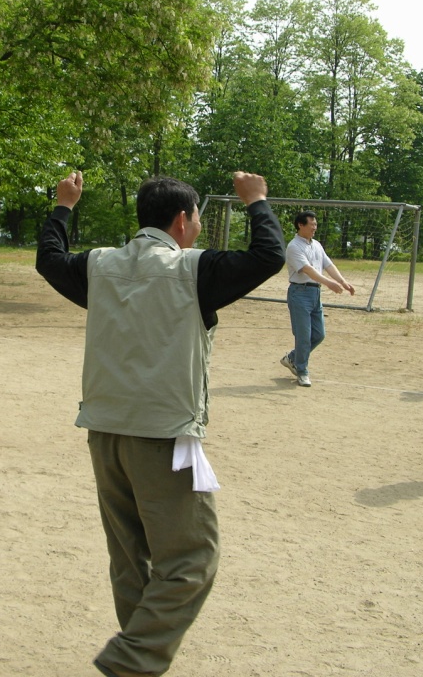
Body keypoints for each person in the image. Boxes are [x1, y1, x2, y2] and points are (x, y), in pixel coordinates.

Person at [35, 171, 285, 677]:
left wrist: (64, 206)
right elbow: (268, 255)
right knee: (192, 558)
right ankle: (132, 661)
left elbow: (49, 258)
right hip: (163, 436)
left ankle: (138, 663)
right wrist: (257, 202)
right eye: (197, 219)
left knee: (131, 560)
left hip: (104, 432)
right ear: (182, 220)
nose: (198, 228)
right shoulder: (193, 269)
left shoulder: (99, 265)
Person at [280, 211, 355, 387]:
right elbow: (308, 270)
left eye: (315, 224)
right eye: (312, 224)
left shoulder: (317, 245)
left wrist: (343, 282)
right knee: (303, 336)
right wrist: (329, 283)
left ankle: (292, 358)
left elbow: (328, 265)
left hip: (315, 294)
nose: (315, 227)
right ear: (300, 225)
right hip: (299, 293)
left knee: (319, 334)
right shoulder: (294, 247)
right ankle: (302, 371)